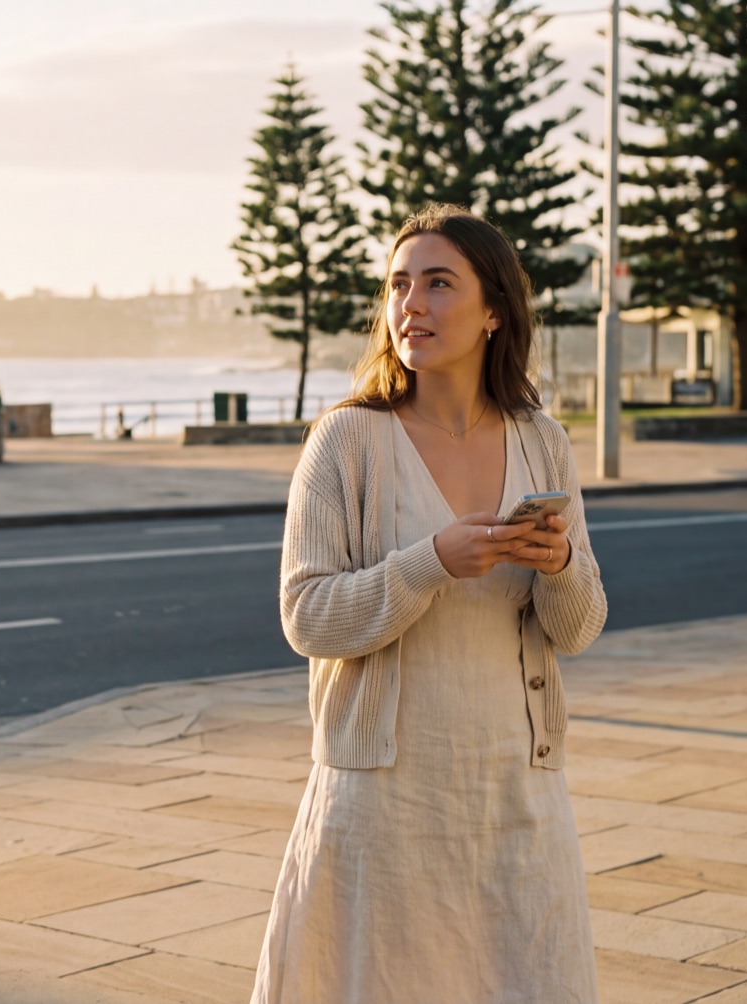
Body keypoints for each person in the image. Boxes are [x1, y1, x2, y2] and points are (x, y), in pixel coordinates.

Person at [254, 204, 607, 1002]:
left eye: (439, 283)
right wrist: (430, 563)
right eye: (399, 284)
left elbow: (578, 628)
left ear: (493, 312)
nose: (412, 303)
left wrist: (559, 567)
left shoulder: (541, 440)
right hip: (382, 800)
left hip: (515, 795)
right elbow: (306, 616)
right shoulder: (346, 441)